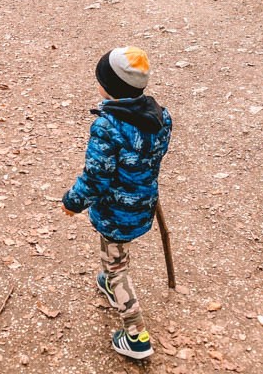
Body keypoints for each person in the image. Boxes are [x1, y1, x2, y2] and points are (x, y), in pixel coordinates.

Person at [62, 47, 172, 361]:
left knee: (116, 268)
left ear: (109, 88)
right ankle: (112, 284)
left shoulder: (107, 127)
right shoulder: (160, 117)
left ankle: (136, 335)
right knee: (117, 251)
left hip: (115, 210)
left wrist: (73, 201)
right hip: (142, 204)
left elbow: (96, 178)